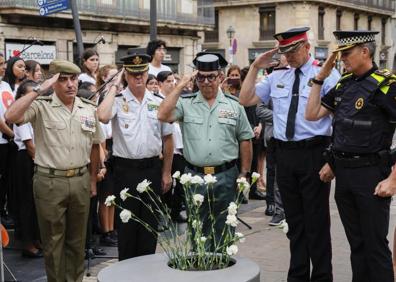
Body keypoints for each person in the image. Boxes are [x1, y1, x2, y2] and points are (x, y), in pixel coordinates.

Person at [239, 27, 340, 282]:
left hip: (314, 152)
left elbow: (339, 119)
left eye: (293, 50)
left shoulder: (326, 75)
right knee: (294, 223)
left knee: (316, 222)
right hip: (285, 155)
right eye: (285, 51)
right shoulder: (276, 76)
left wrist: (332, 160)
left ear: (307, 47)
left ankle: (321, 277)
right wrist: (254, 67)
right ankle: (297, 276)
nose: (290, 56)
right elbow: (245, 98)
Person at [305, 30, 396, 282]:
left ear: (364, 52)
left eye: (346, 53)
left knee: (375, 246)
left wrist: (393, 179)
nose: (341, 59)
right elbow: (311, 114)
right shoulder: (344, 84)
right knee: (357, 246)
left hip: (371, 175)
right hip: (344, 176)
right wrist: (319, 79)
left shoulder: (387, 84)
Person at [5, 59, 104, 282]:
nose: (70, 84)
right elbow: (11, 117)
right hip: (50, 182)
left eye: (74, 79)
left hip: (80, 180)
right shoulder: (41, 106)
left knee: (77, 243)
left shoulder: (88, 108)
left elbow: (96, 144)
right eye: (63, 79)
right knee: (53, 243)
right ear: (53, 82)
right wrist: (40, 89)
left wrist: (92, 181)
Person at [158, 52, 254, 250]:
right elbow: (162, 114)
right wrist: (180, 85)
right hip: (195, 177)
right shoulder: (186, 103)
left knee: (224, 230)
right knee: (197, 230)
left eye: (211, 76)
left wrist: (244, 173)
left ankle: (223, 271)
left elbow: (245, 139)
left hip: (226, 176)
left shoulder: (234, 105)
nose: (206, 82)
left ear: (220, 77)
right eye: (201, 77)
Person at [97, 52, 174, 260]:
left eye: (141, 73)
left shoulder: (158, 101)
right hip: (125, 171)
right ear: (126, 75)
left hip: (151, 169)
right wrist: (114, 85)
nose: (138, 78)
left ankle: (146, 273)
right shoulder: (118, 99)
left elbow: (168, 139)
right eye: (132, 74)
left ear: (148, 72)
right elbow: (102, 116)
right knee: (127, 227)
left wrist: (167, 173)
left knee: (150, 227)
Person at [12, 79, 42, 258]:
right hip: (27, 159)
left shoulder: (36, 111)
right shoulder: (21, 115)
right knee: (27, 203)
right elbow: (29, 145)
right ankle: (27, 243)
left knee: (37, 202)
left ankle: (36, 238)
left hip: (37, 158)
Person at [157, 70, 186, 223]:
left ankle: (175, 212)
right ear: (160, 84)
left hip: (178, 148)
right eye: (168, 81)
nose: (172, 84)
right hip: (164, 148)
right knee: (164, 183)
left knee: (181, 181)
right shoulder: (157, 100)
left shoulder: (177, 100)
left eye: (173, 81)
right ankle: (163, 211)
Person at [0, 53, 15, 229]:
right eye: (0, 64)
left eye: (4, 63)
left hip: (9, 139)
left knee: (6, 180)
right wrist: (12, 134)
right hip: (3, 140)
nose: (4, 67)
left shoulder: (5, 84)